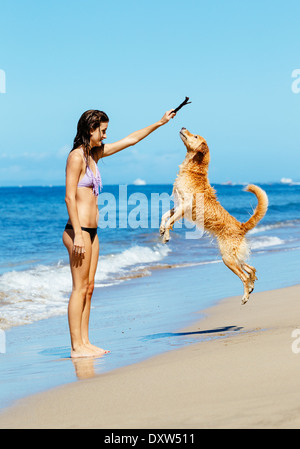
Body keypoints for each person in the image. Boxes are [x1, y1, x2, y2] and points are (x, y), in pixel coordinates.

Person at [63, 108, 176, 358]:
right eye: (102, 131)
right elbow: (70, 198)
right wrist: (79, 234)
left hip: (92, 232)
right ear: (90, 129)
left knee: (89, 288)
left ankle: (86, 341)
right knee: (78, 288)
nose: (105, 136)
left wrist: (160, 122)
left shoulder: (95, 155)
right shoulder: (76, 158)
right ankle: (75, 347)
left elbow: (130, 139)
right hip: (77, 232)